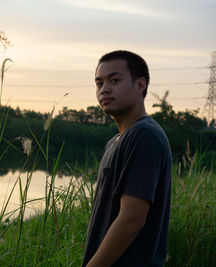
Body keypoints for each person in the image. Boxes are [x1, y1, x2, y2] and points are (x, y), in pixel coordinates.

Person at [82, 50, 172, 266]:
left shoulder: (143, 135)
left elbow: (131, 219)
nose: (105, 89)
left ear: (141, 85)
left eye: (114, 80)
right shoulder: (116, 142)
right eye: (99, 83)